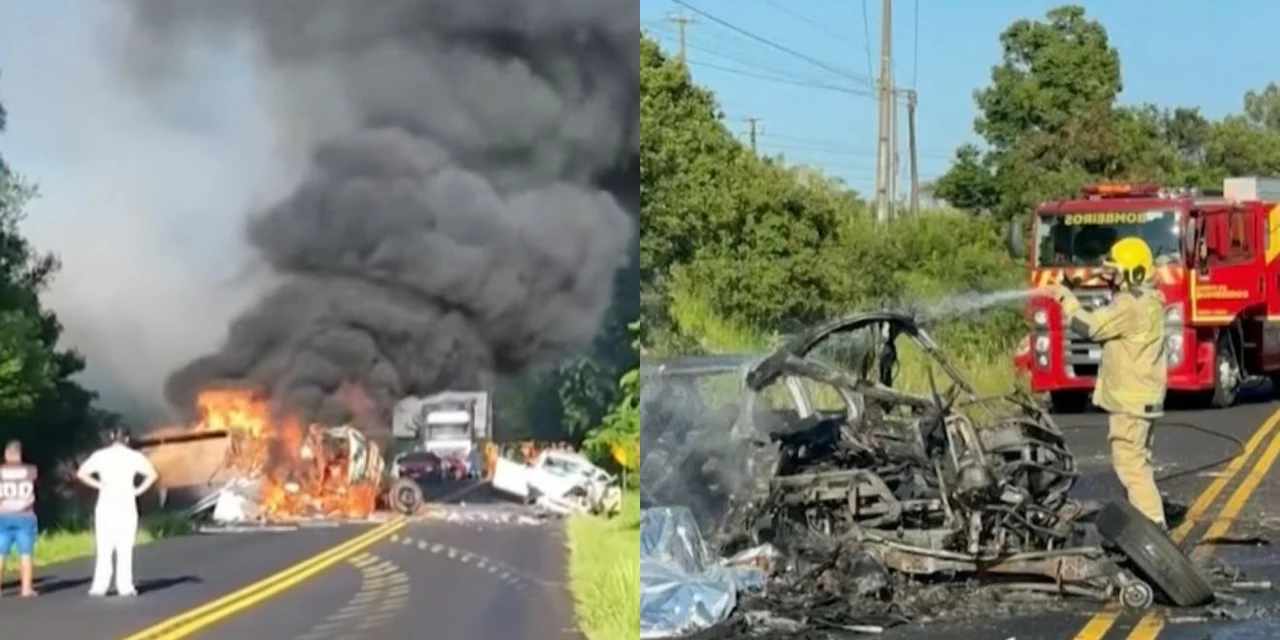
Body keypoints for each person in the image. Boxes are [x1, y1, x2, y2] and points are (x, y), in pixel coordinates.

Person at [1045, 236, 1168, 527]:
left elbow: (1091, 327)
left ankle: (1153, 532)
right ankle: (1141, 524)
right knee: (1138, 463)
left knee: (1131, 467)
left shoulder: (1130, 304)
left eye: (1116, 271)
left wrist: (1065, 298)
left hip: (1130, 403)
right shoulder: (1147, 300)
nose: (1111, 277)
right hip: (1143, 399)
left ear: (1133, 273)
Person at [76, 427, 159, 597]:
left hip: (106, 504)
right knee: (125, 546)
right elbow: (152, 475)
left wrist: (99, 485)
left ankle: (99, 586)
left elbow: (81, 473)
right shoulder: (134, 457)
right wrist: (138, 490)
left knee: (104, 546)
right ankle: (125, 586)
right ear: (128, 439)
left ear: (113, 437)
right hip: (126, 503)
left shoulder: (100, 455)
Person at [0, 440, 39, 597]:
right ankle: (26, 588)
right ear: (20, 454)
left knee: (1, 553)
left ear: (6, 455)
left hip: (4, 514)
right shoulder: (31, 470)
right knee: (26, 552)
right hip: (25, 514)